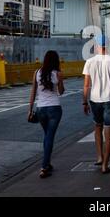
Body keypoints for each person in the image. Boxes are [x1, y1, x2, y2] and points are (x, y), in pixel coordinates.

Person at [29, 50, 65, 178]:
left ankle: (48, 164)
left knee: (47, 136)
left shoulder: (37, 73)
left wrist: (30, 109)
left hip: (41, 109)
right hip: (54, 109)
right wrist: (60, 81)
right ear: (56, 61)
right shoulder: (58, 74)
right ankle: (44, 167)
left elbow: (33, 92)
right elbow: (61, 92)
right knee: (50, 137)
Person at [82, 35, 110, 174]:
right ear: (108, 45)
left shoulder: (89, 61)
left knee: (97, 126)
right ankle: (105, 165)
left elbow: (86, 85)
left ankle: (99, 157)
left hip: (94, 100)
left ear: (96, 46)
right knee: (108, 132)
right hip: (109, 99)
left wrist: (84, 101)